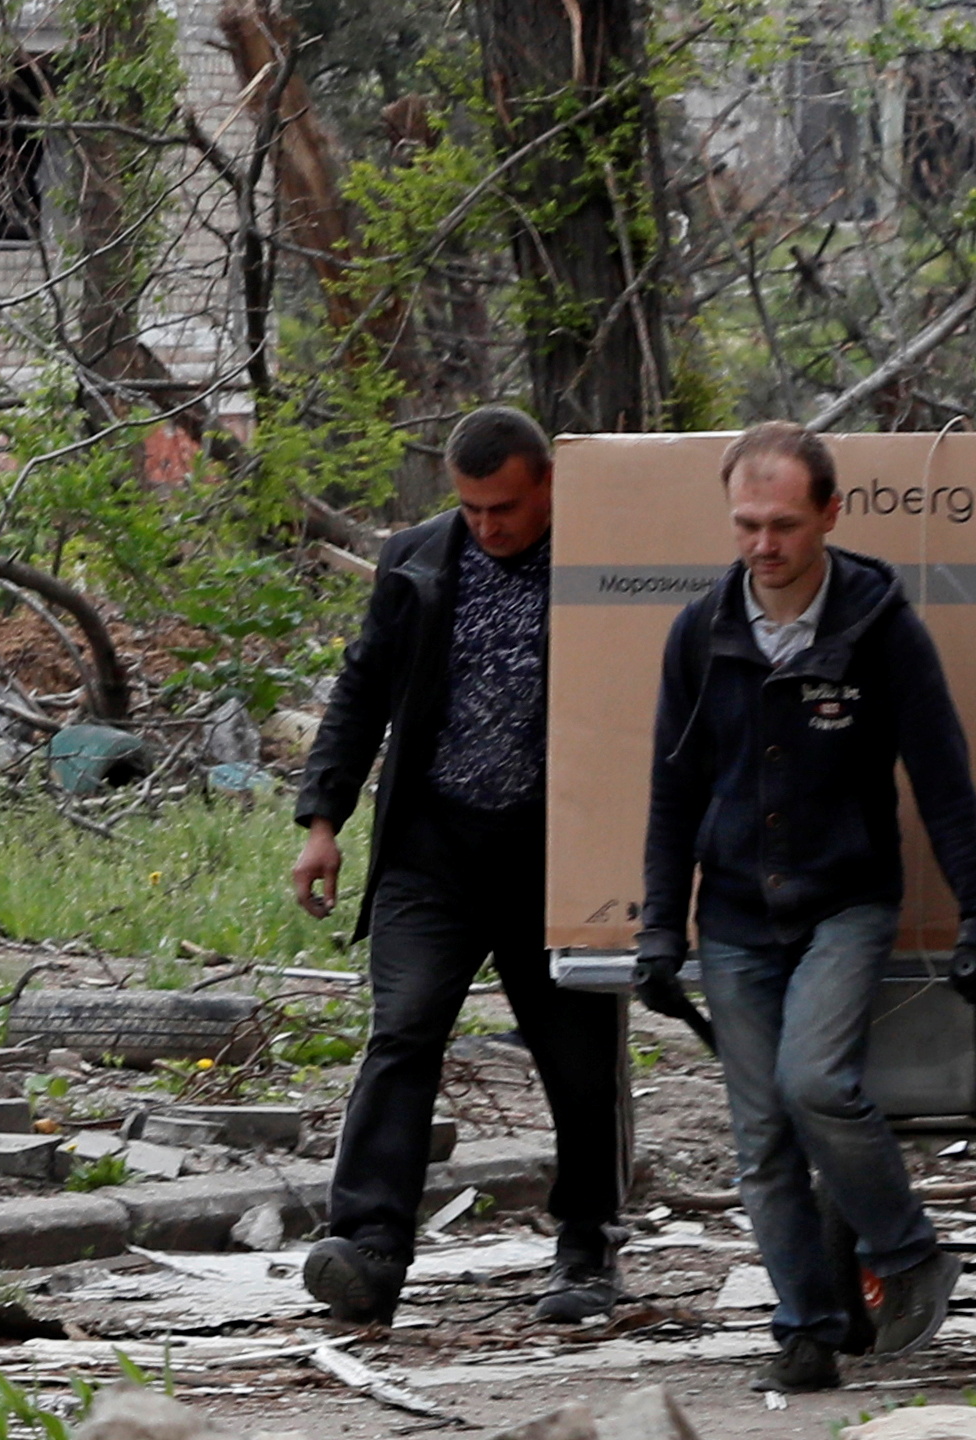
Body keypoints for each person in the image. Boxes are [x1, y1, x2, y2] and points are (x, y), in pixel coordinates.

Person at [635, 421, 976, 1393]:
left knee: (814, 1083)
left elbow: (943, 779)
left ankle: (905, 1249)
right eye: (747, 524)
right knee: (758, 1134)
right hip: (733, 919)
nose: (765, 545)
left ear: (830, 515)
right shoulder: (700, 634)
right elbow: (672, 794)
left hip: (845, 900)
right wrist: (655, 929)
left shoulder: (879, 627)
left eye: (785, 524)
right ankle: (809, 1322)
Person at [284, 404, 629, 1332]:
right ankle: (367, 1248)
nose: (489, 526)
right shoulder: (420, 560)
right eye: (472, 507)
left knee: (579, 1062)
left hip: (555, 856)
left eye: (506, 507)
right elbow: (362, 688)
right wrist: (323, 820)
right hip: (432, 846)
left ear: (549, 481)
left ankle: (588, 1247)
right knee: (401, 1032)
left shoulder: (606, 566)